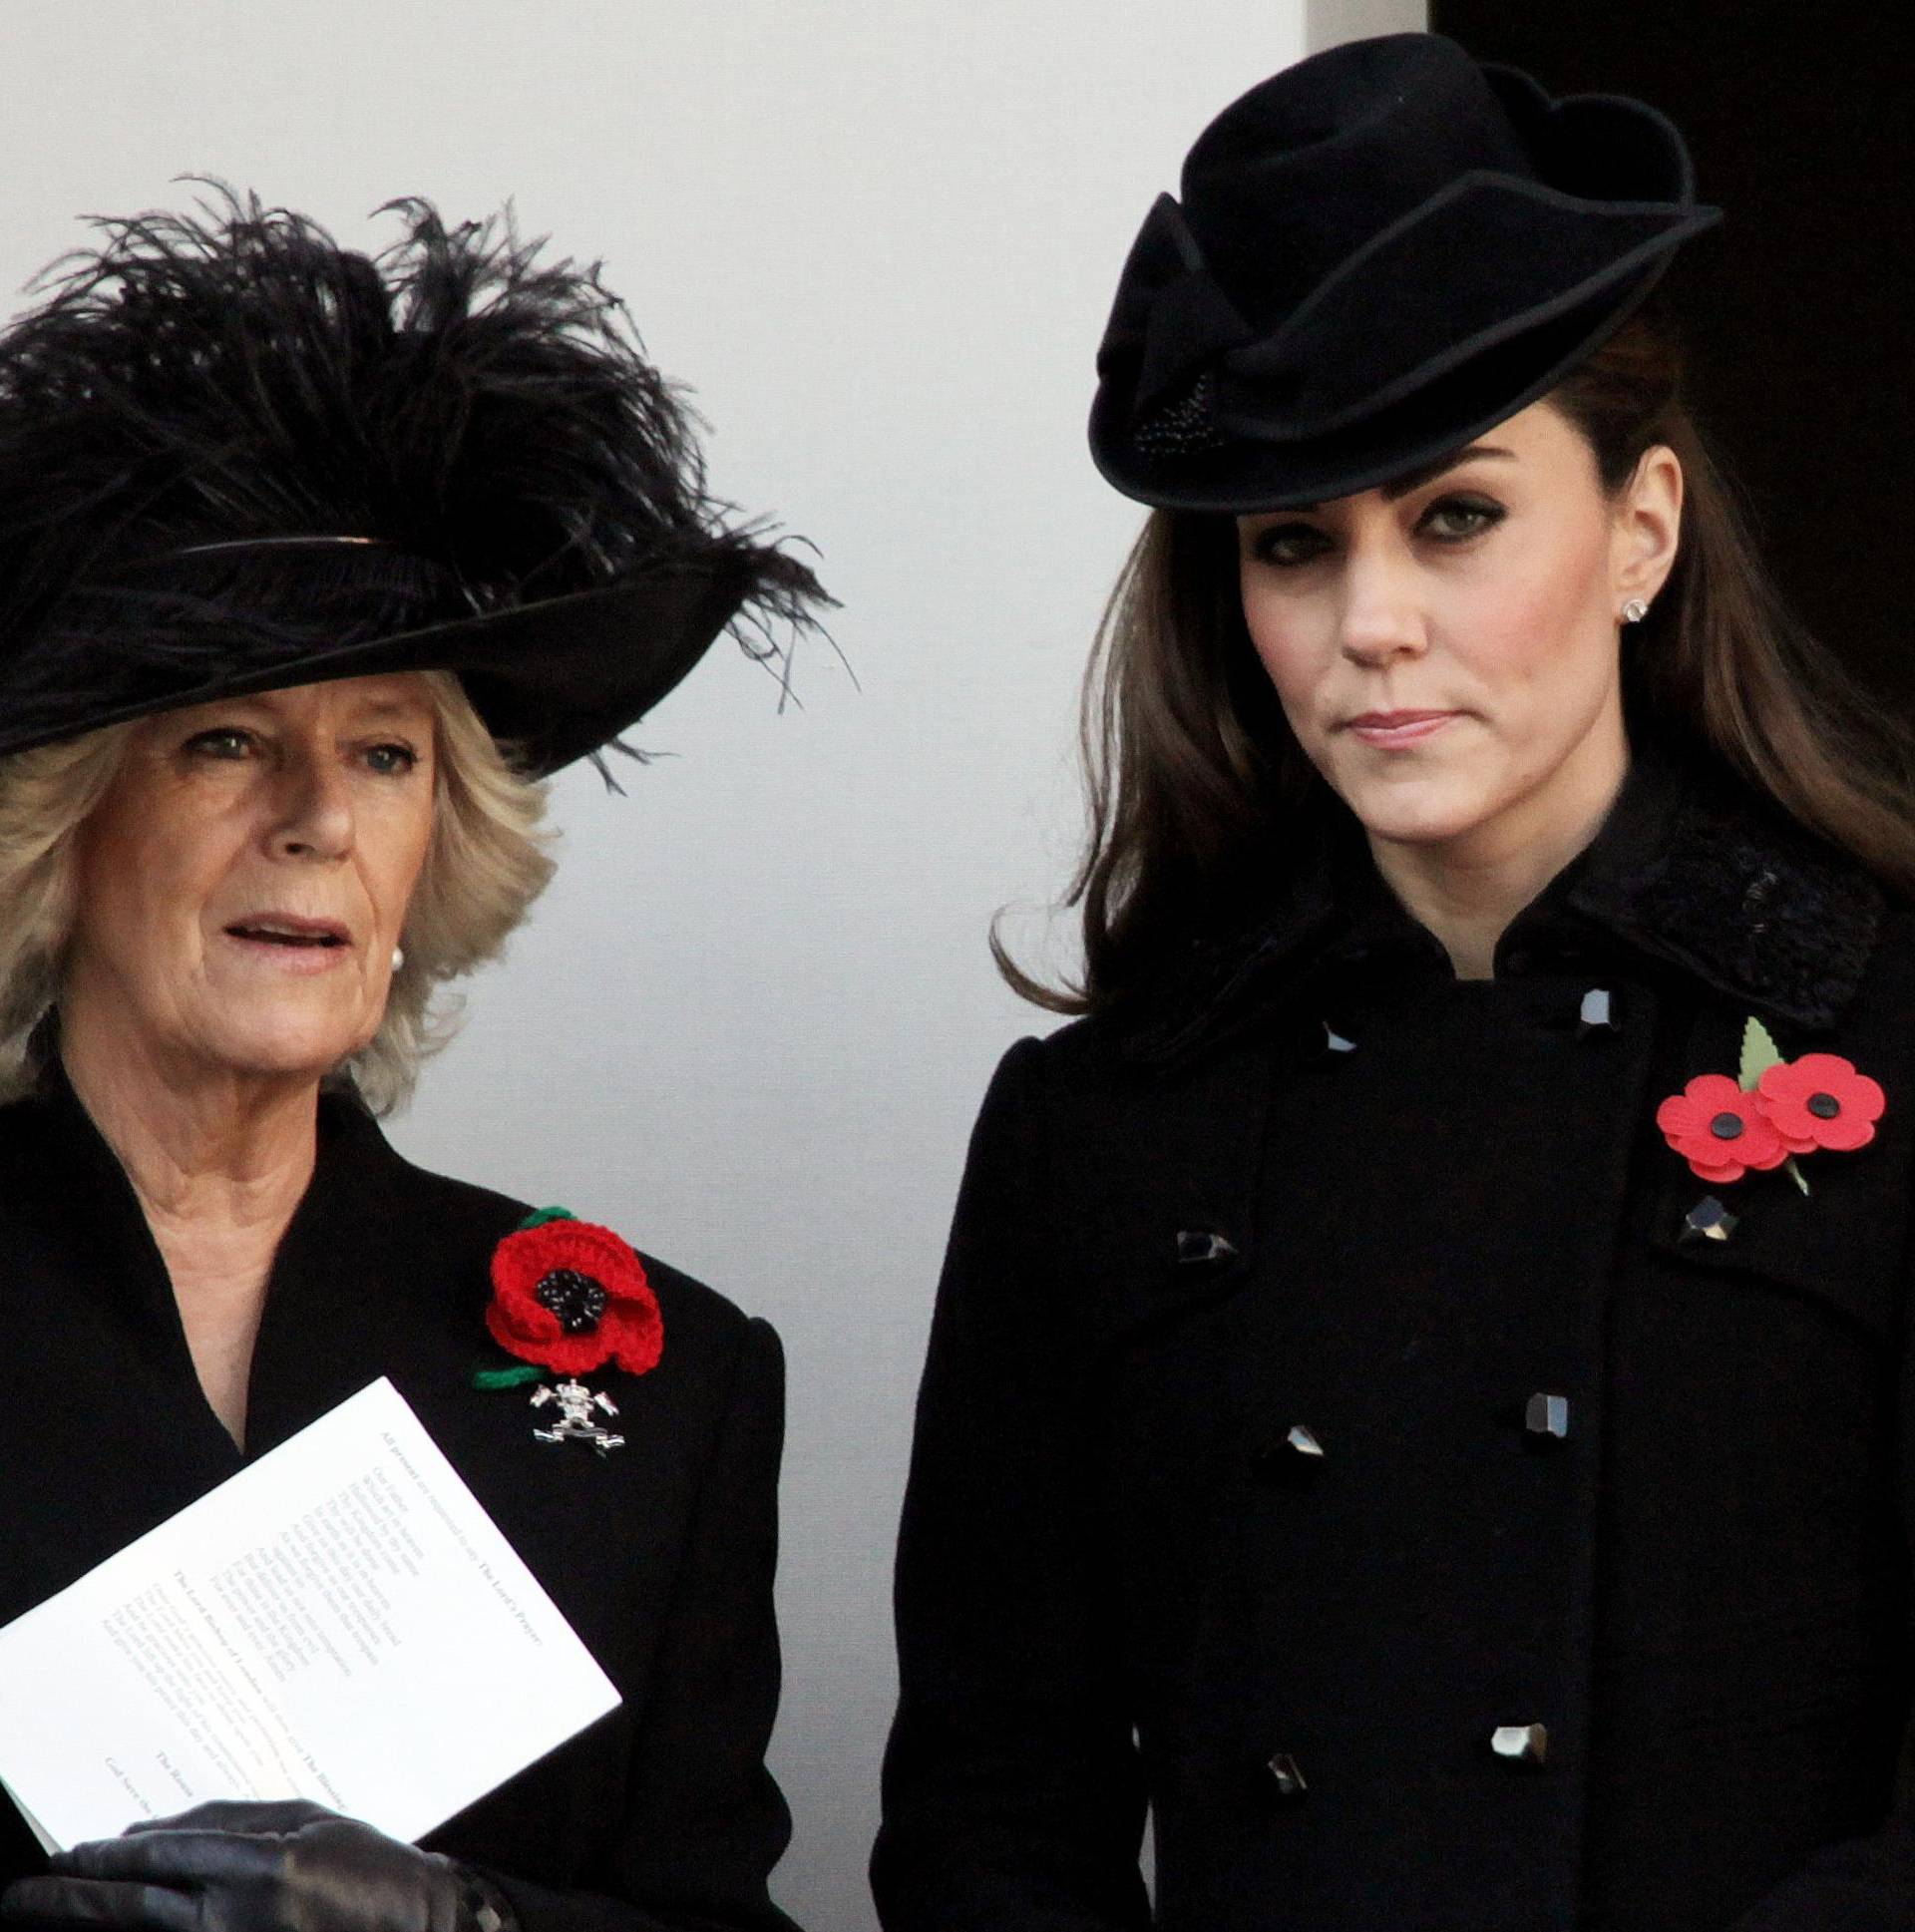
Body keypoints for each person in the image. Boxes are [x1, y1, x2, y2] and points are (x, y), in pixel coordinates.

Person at [873, 33, 1915, 1932]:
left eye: (1455, 516)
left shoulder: (1893, 1043)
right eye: (1294, 544)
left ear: (1644, 530)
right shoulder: (1104, 1125)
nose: (1370, 624)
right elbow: (989, 1810)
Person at [0, 193, 823, 1932]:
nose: (315, 822)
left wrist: (471, 1926)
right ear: (65, 820)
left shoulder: (670, 1384)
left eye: (382, 752)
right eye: (227, 739)